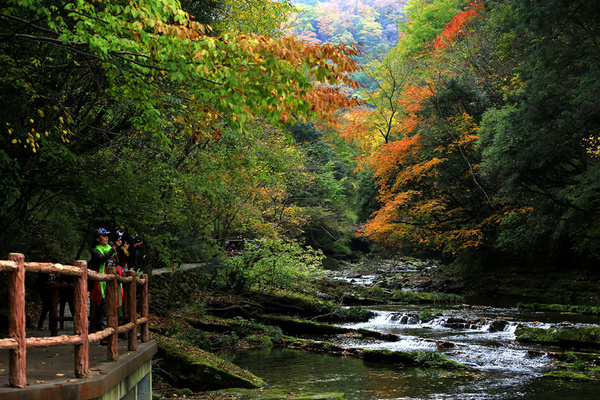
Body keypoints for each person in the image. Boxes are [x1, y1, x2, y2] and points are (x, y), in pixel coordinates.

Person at [89, 227, 121, 334]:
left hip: (111, 280)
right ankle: (102, 333)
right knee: (102, 307)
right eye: (104, 236)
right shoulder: (95, 250)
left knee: (113, 306)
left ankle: (113, 330)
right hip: (100, 282)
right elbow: (102, 258)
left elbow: (115, 262)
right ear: (97, 238)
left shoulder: (110, 248)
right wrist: (114, 247)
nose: (106, 238)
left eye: (107, 235)